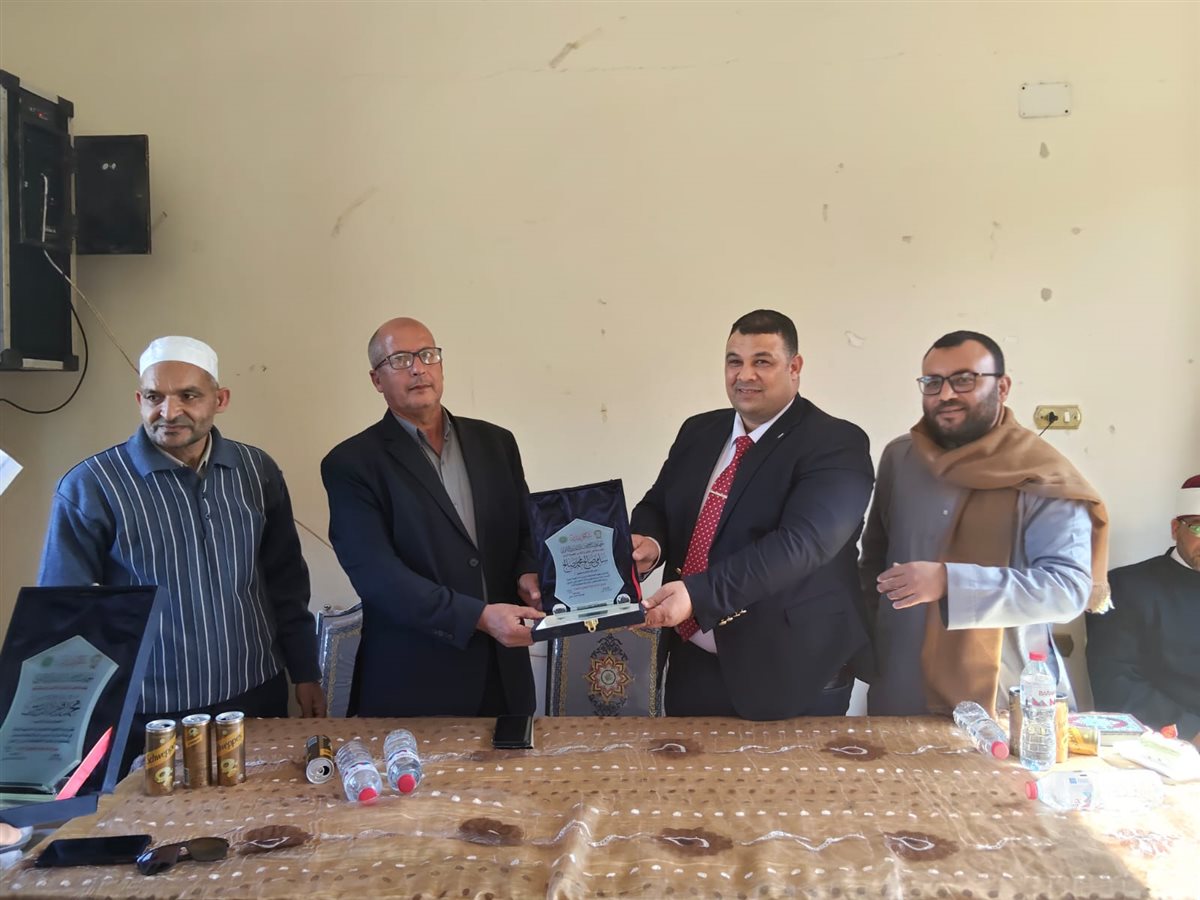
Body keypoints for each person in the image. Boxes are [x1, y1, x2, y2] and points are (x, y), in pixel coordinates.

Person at [39, 336, 323, 771]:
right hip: (147, 713)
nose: (169, 412)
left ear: (220, 400)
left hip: (254, 698)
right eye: (155, 397)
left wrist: (305, 672)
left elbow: (286, 581)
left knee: (258, 809)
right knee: (155, 815)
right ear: (140, 400)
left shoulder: (256, 471)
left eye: (189, 396)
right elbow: (64, 613)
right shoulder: (92, 486)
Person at [632, 309, 874, 719]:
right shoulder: (698, 431)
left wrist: (699, 595)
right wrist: (649, 543)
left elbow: (801, 545)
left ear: (794, 367)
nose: (745, 375)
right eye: (734, 361)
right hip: (692, 658)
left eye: (762, 361)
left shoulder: (836, 443)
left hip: (792, 670)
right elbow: (659, 504)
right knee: (690, 762)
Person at [861, 330, 1110, 717]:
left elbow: (1067, 590)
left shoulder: (1041, 473)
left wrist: (950, 582)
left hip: (1004, 696)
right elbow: (874, 564)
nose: (946, 394)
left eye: (964, 380)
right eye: (933, 382)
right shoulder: (902, 458)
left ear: (1003, 387)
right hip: (901, 685)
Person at [321, 317, 544, 717]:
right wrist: (478, 617)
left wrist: (528, 571)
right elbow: (379, 578)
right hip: (414, 681)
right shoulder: (351, 464)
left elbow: (526, 531)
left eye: (427, 355)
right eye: (400, 359)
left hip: (505, 675)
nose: (418, 368)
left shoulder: (496, 443)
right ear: (376, 379)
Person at [1087, 475, 1200, 741]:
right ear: (1175, 529)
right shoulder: (1126, 587)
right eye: (1198, 528)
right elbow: (1114, 683)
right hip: (1167, 743)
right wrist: (1192, 731)